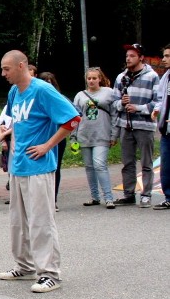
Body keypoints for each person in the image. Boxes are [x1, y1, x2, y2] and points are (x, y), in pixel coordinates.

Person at [0, 49, 80, 293]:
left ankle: (50, 273)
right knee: (18, 221)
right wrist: (9, 141)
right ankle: (25, 266)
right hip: (19, 166)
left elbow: (73, 119)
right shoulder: (14, 92)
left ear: (21, 66)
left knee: (41, 221)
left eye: (7, 69)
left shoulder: (43, 90)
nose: (3, 74)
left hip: (40, 167)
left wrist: (47, 145)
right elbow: (19, 123)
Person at [111, 43, 162, 207]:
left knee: (146, 162)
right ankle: (128, 194)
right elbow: (114, 102)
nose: (128, 58)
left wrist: (138, 108)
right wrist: (122, 104)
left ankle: (146, 195)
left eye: (132, 55)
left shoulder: (152, 76)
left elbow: (158, 102)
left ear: (141, 58)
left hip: (144, 126)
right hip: (126, 125)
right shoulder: (121, 77)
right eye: (127, 56)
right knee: (127, 162)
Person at [72, 67, 117, 208]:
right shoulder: (80, 95)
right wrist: (73, 137)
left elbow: (115, 114)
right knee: (89, 167)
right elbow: (74, 117)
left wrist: (114, 134)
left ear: (100, 79)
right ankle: (94, 196)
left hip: (102, 134)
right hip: (84, 134)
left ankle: (109, 198)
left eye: (94, 78)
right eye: (89, 78)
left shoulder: (109, 93)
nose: (91, 81)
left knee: (99, 165)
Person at [38, 72, 67, 210]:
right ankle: (44, 200)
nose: (47, 83)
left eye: (50, 81)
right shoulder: (36, 96)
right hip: (42, 140)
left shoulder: (59, 98)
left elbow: (74, 118)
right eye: (44, 80)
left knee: (55, 168)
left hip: (57, 139)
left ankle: (53, 199)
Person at [152, 43, 170, 210]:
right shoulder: (165, 77)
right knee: (166, 164)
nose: (164, 59)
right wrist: (157, 110)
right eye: (164, 56)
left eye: (167, 56)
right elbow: (160, 99)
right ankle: (168, 197)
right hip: (166, 130)